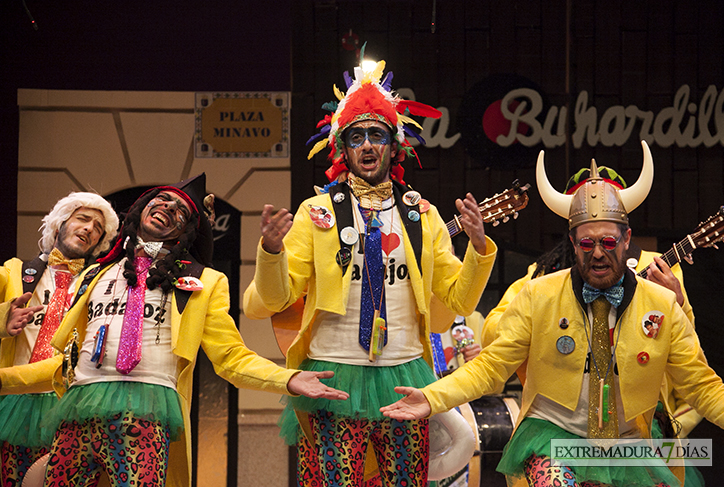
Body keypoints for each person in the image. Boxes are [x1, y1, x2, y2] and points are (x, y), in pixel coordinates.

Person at [381, 142, 724, 487]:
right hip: (554, 439)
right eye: (586, 243)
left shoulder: (661, 302)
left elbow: (703, 387)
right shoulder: (539, 293)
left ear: (626, 239)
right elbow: (491, 368)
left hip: (628, 444)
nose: (597, 254)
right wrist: (431, 397)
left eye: (608, 243)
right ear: (572, 242)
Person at [0, 174, 349, 487]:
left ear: (186, 233)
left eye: (180, 211)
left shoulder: (203, 283)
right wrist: (6, 380)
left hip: (146, 412)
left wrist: (286, 379)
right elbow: (66, 364)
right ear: (139, 210)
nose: (167, 208)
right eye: (161, 200)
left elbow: (230, 357)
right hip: (79, 408)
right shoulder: (94, 275)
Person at [243, 58, 497, 487]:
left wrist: (477, 249)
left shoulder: (422, 215)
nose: (366, 145)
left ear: (394, 146)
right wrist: (270, 251)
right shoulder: (316, 212)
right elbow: (271, 300)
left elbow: (458, 299)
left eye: (376, 135)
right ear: (341, 149)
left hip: (404, 373)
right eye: (355, 137)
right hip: (333, 372)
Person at [482, 166, 704, 441]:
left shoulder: (656, 266)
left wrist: (678, 303)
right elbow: (492, 335)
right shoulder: (544, 276)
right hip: (562, 419)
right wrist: (536, 320)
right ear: (573, 232)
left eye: (608, 238)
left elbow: (689, 350)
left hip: (636, 420)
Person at [0, 192, 119, 485]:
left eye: (98, 227)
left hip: (71, 405)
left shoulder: (100, 284)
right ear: (60, 223)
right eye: (82, 218)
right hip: (14, 402)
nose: (90, 228)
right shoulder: (14, 271)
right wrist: (1, 321)